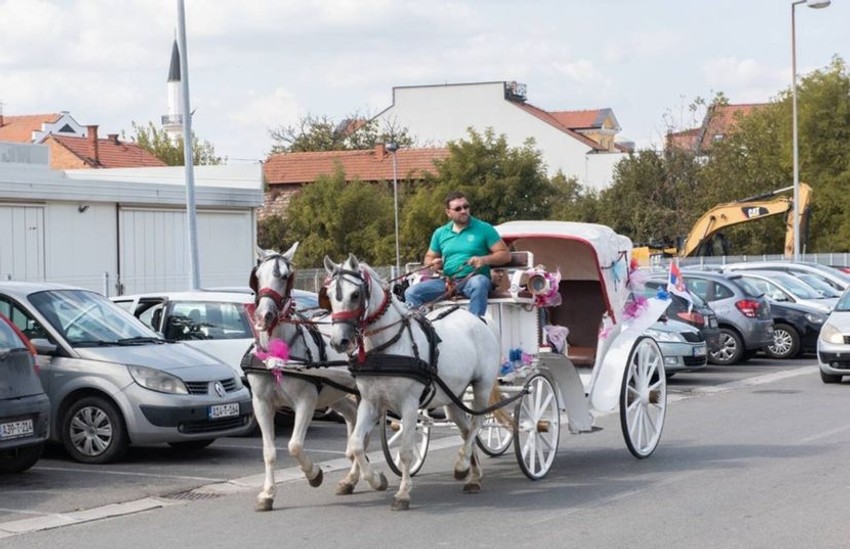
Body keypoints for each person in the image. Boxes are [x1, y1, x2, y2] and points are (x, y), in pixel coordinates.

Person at [404, 191, 510, 316]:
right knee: (411, 292)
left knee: (479, 283)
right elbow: (429, 257)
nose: (463, 211)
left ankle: (476, 324)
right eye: (458, 208)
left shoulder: (484, 229)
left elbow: (505, 255)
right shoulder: (440, 233)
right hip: (448, 283)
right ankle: (421, 330)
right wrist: (433, 263)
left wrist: (484, 260)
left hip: (473, 280)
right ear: (448, 212)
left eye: (466, 206)